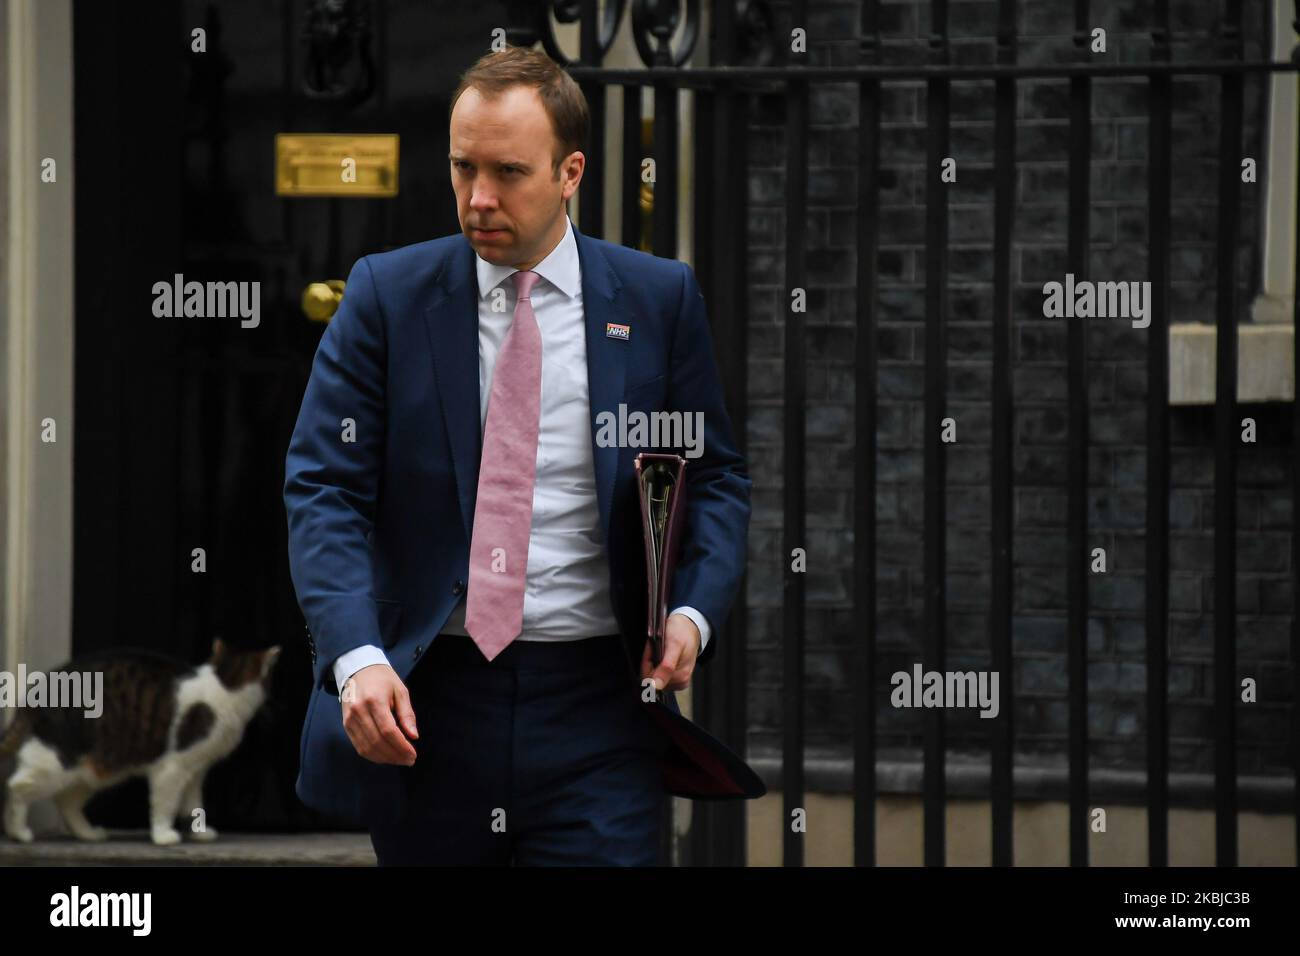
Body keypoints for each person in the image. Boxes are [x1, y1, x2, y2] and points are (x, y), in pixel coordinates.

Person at [284, 45, 751, 866]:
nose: (479, 198)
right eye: (463, 169)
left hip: (599, 711)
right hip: (431, 704)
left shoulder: (655, 299)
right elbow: (324, 487)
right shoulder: (388, 297)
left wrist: (692, 613)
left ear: (571, 172)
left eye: (508, 172)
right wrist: (356, 656)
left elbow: (711, 477)